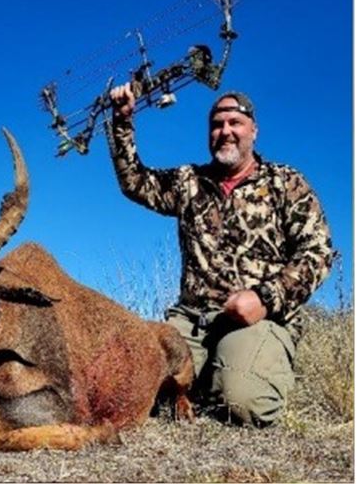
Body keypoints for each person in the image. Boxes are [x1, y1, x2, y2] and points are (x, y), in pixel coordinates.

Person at [109, 84, 334, 427]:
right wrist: (123, 121)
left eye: (235, 123)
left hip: (257, 320)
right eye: (216, 125)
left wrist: (265, 297)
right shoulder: (189, 181)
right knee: (126, 390)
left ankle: (241, 371)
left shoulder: (285, 182)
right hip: (191, 320)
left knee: (242, 403)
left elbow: (317, 252)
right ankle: (202, 376)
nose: (225, 131)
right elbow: (135, 182)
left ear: (253, 131)